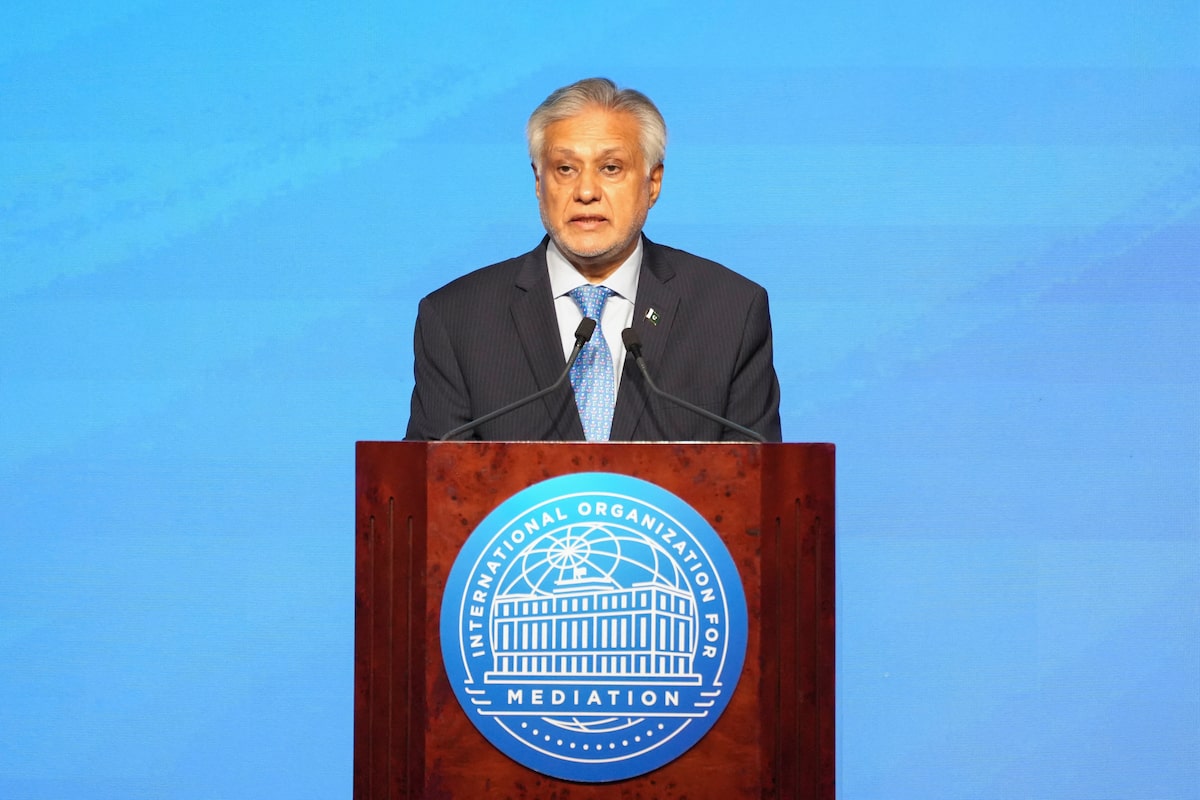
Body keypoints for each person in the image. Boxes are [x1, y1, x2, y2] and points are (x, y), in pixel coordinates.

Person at [404, 77, 782, 442]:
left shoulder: (730, 312)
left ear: (653, 184)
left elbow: (760, 489)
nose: (586, 191)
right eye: (565, 169)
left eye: (611, 168)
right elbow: (430, 489)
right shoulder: (457, 319)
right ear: (539, 183)